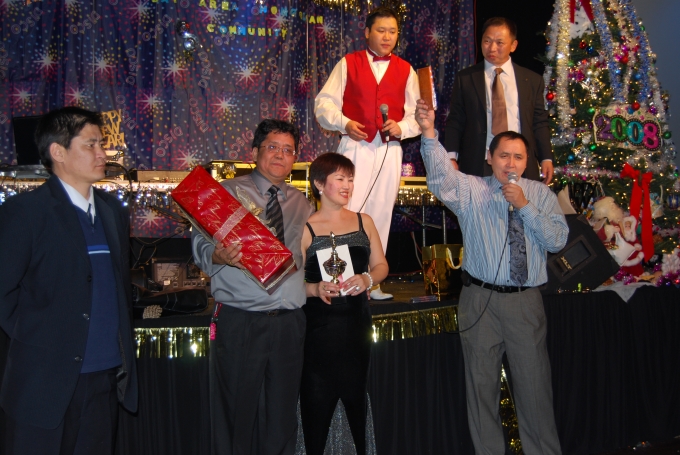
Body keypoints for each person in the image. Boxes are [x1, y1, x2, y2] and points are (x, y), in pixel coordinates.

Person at [415, 99, 567, 454]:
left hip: (524, 304)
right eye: (503, 156)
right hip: (479, 300)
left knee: (534, 391)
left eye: (518, 157)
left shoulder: (540, 194)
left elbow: (557, 241)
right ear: (489, 157)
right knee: (481, 391)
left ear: (526, 162)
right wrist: (428, 132)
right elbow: (440, 178)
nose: (510, 164)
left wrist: (524, 206)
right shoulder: (471, 190)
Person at [0, 107, 138, 455]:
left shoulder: (112, 211)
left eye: (102, 144)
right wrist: (39, 335)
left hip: (105, 376)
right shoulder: (26, 212)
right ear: (57, 152)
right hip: (43, 383)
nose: (102, 154)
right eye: (91, 145)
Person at [192, 119, 314, 455]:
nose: (281, 155)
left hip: (289, 322)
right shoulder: (227, 193)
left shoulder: (303, 204)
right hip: (241, 320)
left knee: (282, 417)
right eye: (273, 147)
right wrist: (217, 254)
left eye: (288, 150)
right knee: (235, 416)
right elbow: (199, 242)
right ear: (255, 152)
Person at [314, 6, 420, 300]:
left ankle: (373, 282)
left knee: (381, 213)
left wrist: (401, 127)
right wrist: (344, 123)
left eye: (392, 32)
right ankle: (339, 278)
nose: (387, 37)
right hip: (354, 147)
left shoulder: (406, 70)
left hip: (388, 149)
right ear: (367, 33)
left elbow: (418, 115)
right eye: (381, 30)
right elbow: (323, 104)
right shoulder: (348, 63)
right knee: (345, 210)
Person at [300, 152, 388, 454]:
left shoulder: (364, 221)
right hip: (318, 332)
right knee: (316, 401)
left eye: (350, 179)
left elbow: (381, 266)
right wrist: (313, 288)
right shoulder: (305, 227)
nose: (347, 185)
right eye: (340, 178)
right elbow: (288, 283)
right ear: (319, 184)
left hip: (357, 327)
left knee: (355, 396)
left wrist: (367, 279)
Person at [445, 17, 554, 184]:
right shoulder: (466, 78)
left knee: (520, 201)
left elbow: (539, 122)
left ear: (513, 45)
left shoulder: (531, 80)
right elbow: (455, 120)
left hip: (519, 164)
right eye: (487, 41)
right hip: (479, 162)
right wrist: (451, 157)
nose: (492, 48)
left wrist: (546, 158)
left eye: (499, 43)